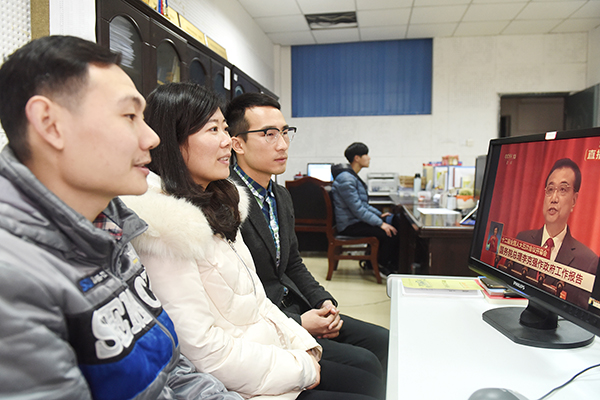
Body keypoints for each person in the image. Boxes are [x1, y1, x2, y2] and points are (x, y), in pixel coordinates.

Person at [0, 36, 240, 400]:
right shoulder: (13, 278)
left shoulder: (112, 226)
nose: (152, 138)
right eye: (129, 116)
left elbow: (172, 368)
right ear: (50, 124)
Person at [121, 82, 383, 400]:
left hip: (269, 341)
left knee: (368, 369)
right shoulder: (168, 226)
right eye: (213, 130)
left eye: (285, 133)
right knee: (363, 375)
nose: (226, 141)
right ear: (172, 140)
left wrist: (313, 318)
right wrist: (300, 353)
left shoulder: (226, 202)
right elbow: (203, 348)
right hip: (245, 368)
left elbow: (265, 291)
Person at [225, 93, 389, 386]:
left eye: (285, 132)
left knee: (382, 340)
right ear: (238, 144)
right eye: (269, 134)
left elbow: (293, 264)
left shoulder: (280, 196)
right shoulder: (226, 201)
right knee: (365, 367)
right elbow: (236, 297)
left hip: (298, 305)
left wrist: (323, 301)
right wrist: (298, 323)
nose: (283, 145)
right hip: (267, 323)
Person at [516, 158, 598, 308]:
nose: (553, 199)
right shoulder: (523, 239)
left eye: (563, 190)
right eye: (550, 189)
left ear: (574, 200)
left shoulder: (588, 261)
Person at [330, 142, 400, 276]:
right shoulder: (346, 179)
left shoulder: (351, 176)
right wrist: (380, 224)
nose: (369, 158)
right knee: (389, 233)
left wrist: (379, 216)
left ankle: (374, 263)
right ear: (357, 158)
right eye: (366, 155)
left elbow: (362, 205)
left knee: (392, 222)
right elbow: (357, 209)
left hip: (353, 220)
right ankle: (381, 265)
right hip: (349, 225)